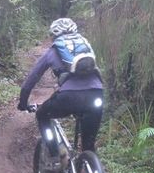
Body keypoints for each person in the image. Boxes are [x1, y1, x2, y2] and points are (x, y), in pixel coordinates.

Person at [17, 18, 104, 162]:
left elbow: (31, 80)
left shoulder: (53, 51)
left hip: (68, 97)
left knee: (42, 115)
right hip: (96, 95)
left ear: (54, 35)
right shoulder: (85, 46)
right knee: (88, 146)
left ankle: (57, 155)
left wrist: (23, 103)